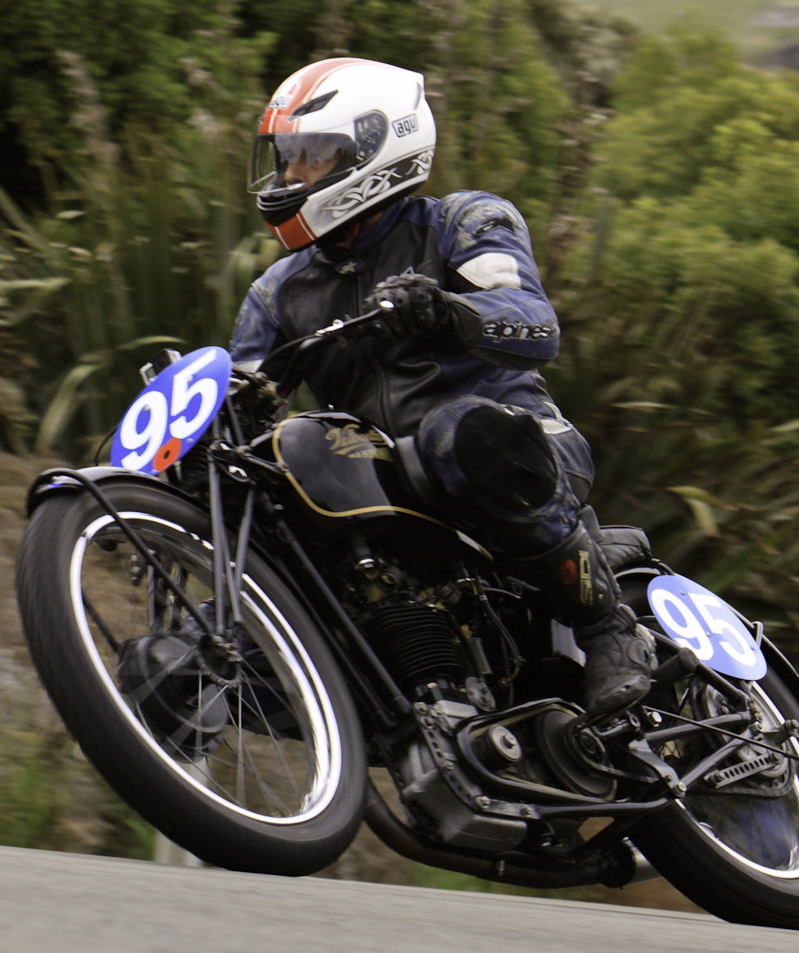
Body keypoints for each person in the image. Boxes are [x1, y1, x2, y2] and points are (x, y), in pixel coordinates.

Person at [229, 57, 653, 720]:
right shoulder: (278, 292)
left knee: (455, 433)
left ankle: (607, 628)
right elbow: (245, 397)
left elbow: (536, 324)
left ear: (374, 149)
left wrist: (450, 312)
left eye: (310, 155)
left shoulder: (462, 222)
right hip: (388, 484)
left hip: (521, 445)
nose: (289, 176)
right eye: (285, 158)